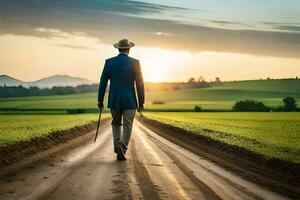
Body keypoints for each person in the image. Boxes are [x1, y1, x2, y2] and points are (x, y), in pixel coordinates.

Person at [97, 39, 145, 161]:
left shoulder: (109, 62)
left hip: (115, 100)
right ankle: (122, 149)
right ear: (129, 49)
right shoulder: (135, 63)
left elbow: (103, 83)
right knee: (128, 125)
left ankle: (117, 144)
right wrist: (141, 102)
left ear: (118, 49)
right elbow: (139, 83)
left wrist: (100, 100)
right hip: (130, 100)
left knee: (116, 123)